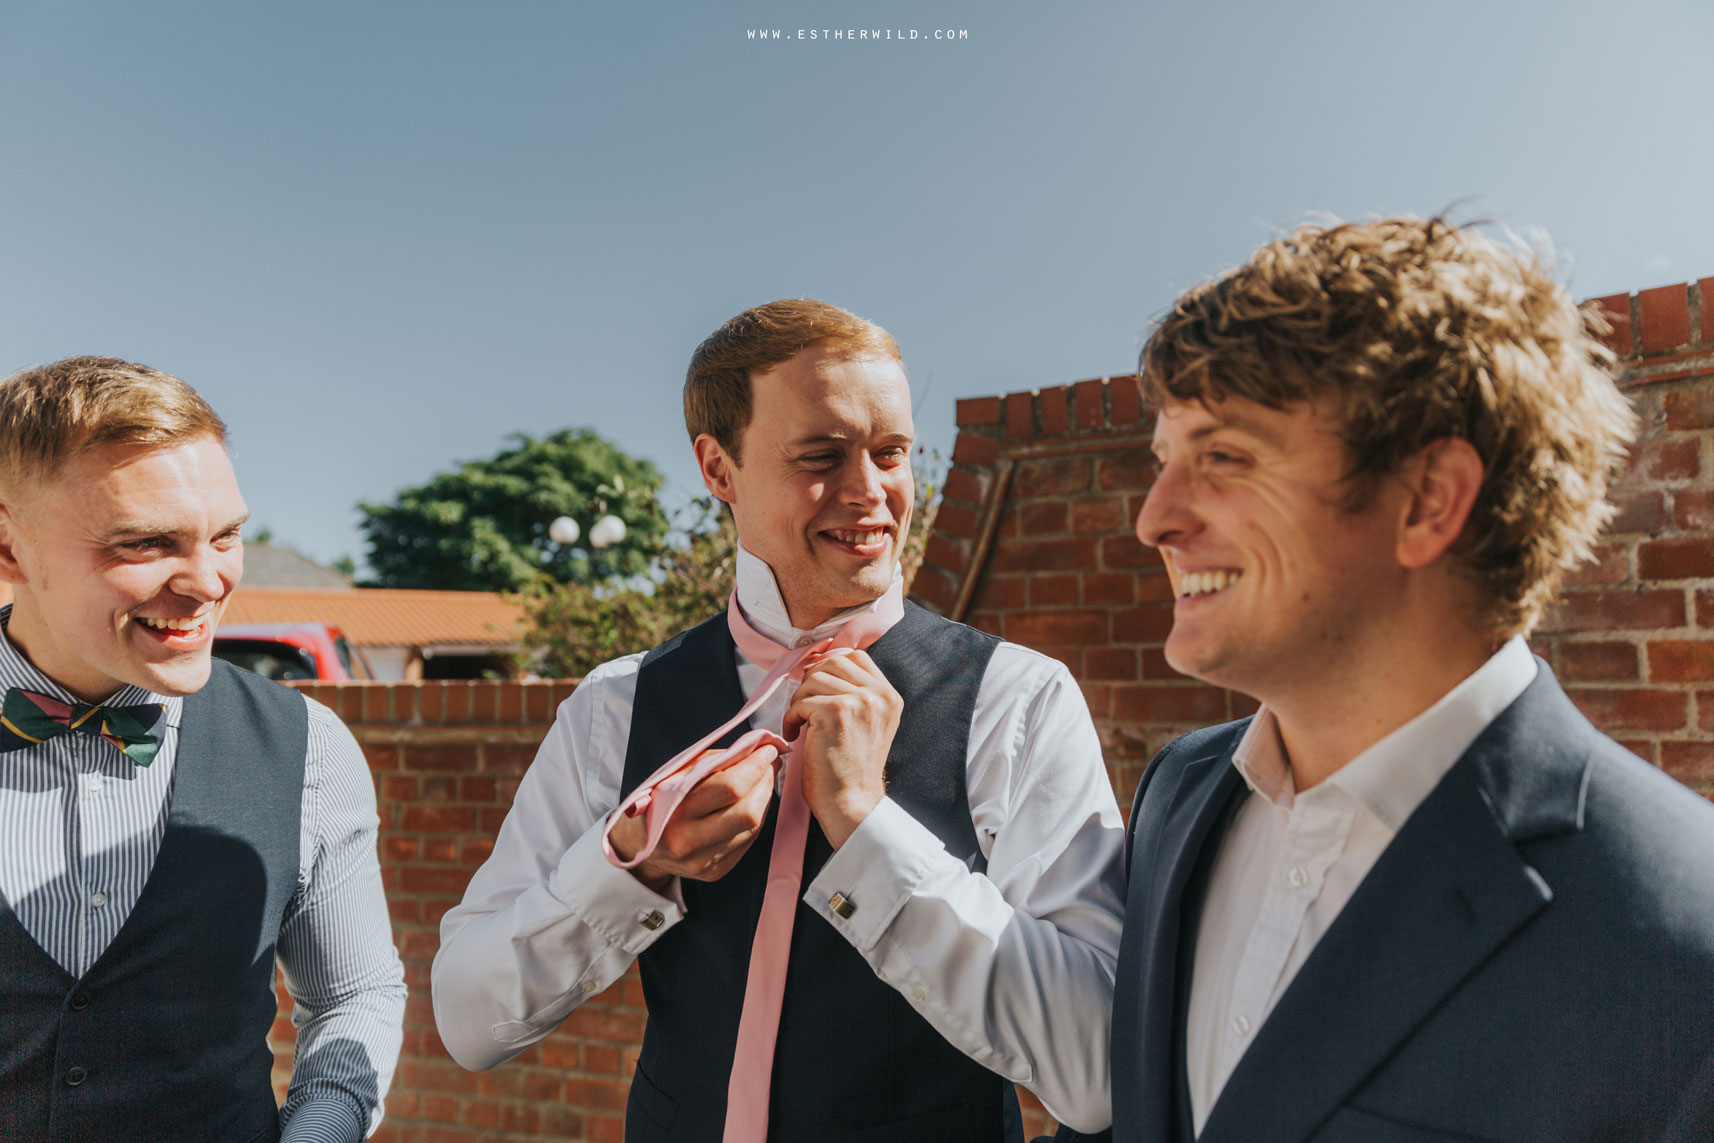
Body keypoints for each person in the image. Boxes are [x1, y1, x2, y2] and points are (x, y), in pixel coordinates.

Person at [432, 299, 1126, 1141]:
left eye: (893, 452)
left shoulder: (1019, 699)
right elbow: (467, 1024)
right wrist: (628, 868)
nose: (871, 493)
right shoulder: (613, 707)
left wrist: (873, 836)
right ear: (718, 469)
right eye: (822, 455)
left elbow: (1099, 1069)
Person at [1110, 218, 1714, 1142]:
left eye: (1224, 456)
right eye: (1164, 461)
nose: (1155, 518)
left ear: (1429, 499)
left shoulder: (1681, 940)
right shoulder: (1177, 795)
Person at [0, 357, 406, 1143]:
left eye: (226, 535)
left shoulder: (309, 748)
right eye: (147, 543)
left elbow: (355, 993)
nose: (207, 582)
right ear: (11, 548)